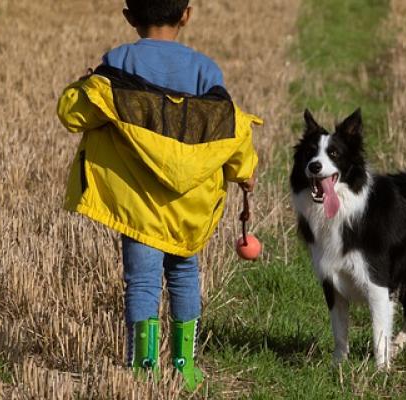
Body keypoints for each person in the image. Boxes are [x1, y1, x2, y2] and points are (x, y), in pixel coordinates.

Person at [56, 0, 260, 391]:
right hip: (189, 209)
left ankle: (143, 369)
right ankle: (184, 367)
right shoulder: (205, 70)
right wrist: (244, 171)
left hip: (138, 208)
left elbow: (72, 115)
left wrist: (84, 86)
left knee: (142, 283)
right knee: (184, 275)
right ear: (187, 14)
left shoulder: (117, 63)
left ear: (129, 17)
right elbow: (229, 126)